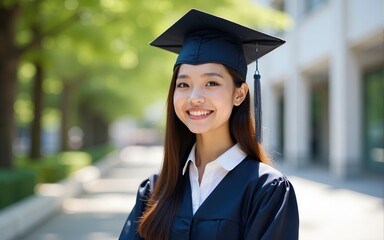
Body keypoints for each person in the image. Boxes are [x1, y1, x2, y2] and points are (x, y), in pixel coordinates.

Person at [119, 9, 299, 240]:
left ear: (240, 94)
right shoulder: (155, 188)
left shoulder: (266, 191)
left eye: (211, 83)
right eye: (183, 85)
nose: (194, 97)